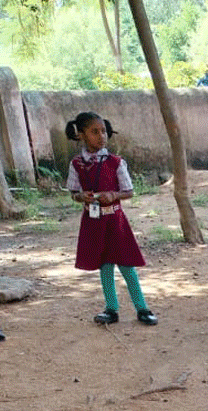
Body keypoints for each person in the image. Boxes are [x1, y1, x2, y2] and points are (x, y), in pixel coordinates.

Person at [65, 111, 159, 326]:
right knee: (105, 265)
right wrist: (82, 197)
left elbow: (129, 191)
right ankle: (111, 309)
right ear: (80, 135)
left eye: (104, 131)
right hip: (94, 222)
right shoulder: (76, 164)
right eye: (94, 132)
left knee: (127, 264)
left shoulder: (116, 162)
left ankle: (142, 308)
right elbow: (73, 193)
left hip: (115, 222)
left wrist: (114, 195)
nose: (101, 136)